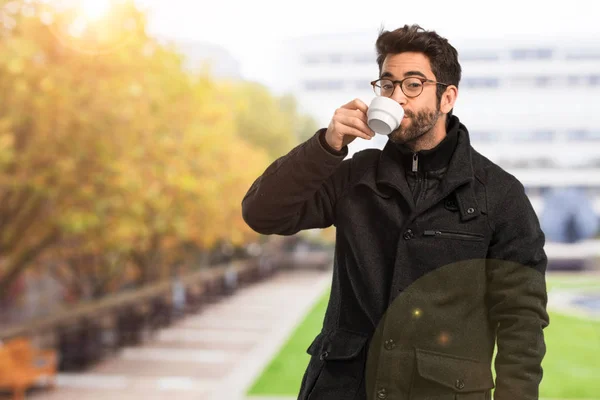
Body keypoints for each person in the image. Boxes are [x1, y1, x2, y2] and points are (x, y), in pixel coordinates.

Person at [242, 24, 549, 400]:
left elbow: (522, 319)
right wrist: (327, 144)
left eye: (413, 84)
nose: (397, 96)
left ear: (447, 98)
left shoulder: (500, 195)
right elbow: (262, 213)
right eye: (387, 85)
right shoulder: (355, 176)